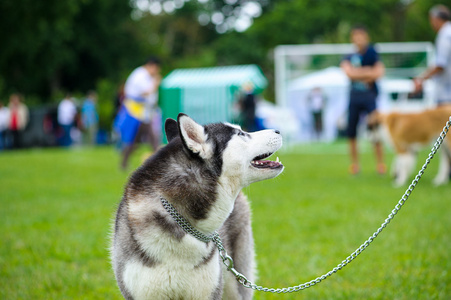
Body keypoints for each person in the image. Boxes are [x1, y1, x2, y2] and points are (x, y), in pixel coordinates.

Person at [340, 25, 386, 175]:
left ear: (366, 37)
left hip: (369, 98)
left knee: (375, 131)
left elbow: (378, 72)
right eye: (355, 35)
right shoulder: (348, 56)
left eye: (361, 35)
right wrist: (367, 72)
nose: (358, 39)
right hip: (354, 98)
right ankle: (354, 165)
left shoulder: (373, 54)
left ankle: (380, 165)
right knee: (352, 133)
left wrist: (358, 73)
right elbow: (348, 73)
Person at [114, 56, 162, 170]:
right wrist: (156, 83)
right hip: (135, 111)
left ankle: (124, 162)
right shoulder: (140, 75)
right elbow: (146, 92)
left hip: (142, 111)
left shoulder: (145, 75)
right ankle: (160, 161)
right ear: (152, 66)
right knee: (142, 137)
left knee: (138, 139)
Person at [413, 4, 451, 106]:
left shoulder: (444, 35)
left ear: (437, 19)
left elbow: (440, 65)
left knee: (444, 121)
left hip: (446, 94)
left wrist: (421, 79)